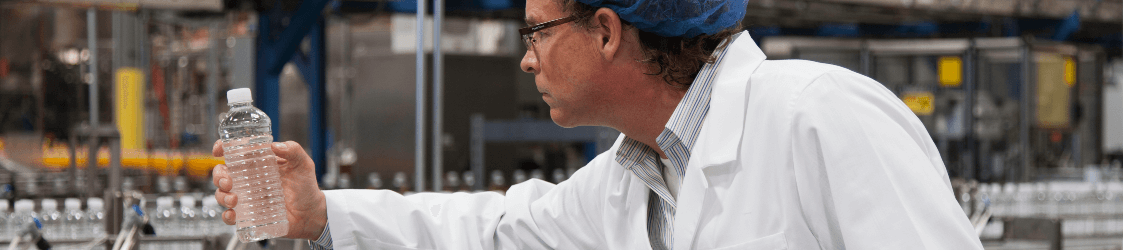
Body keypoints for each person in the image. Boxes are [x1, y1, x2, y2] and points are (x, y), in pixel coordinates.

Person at [212, 0, 984, 249]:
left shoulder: (820, 114)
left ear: (607, 32)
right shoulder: (635, 177)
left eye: (538, 32)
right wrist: (321, 215)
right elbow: (493, 229)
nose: (527, 59)